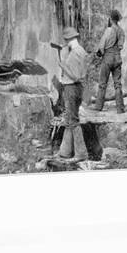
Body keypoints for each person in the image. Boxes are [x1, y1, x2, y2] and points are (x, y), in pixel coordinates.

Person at [57, 27, 89, 160]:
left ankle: (81, 154)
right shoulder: (81, 51)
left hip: (71, 87)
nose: (65, 42)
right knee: (70, 119)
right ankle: (65, 152)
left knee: (73, 121)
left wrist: (63, 66)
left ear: (68, 39)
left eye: (65, 40)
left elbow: (75, 76)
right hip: (78, 88)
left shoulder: (75, 53)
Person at [91, 9, 125, 114]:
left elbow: (101, 46)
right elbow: (120, 46)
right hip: (117, 57)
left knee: (102, 84)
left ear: (110, 19)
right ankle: (120, 109)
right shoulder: (121, 31)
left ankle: (98, 107)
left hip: (108, 58)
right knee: (118, 84)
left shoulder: (109, 30)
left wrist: (98, 54)